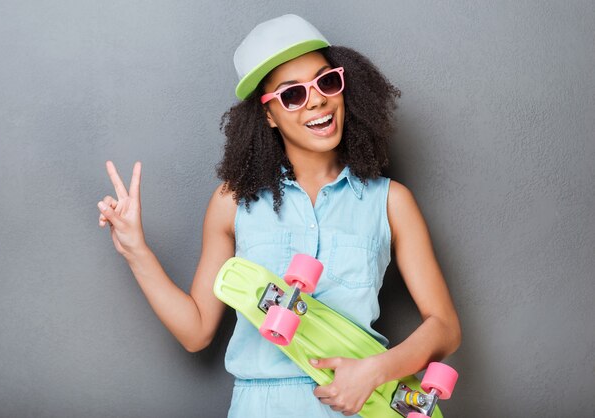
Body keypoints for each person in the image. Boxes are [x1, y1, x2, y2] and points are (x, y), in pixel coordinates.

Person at [96, 14, 461, 418]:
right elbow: (196, 331)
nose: (317, 100)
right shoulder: (232, 201)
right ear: (268, 115)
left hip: (362, 405)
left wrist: (376, 371)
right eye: (292, 95)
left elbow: (445, 326)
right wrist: (136, 250)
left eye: (326, 82)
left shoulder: (391, 202)